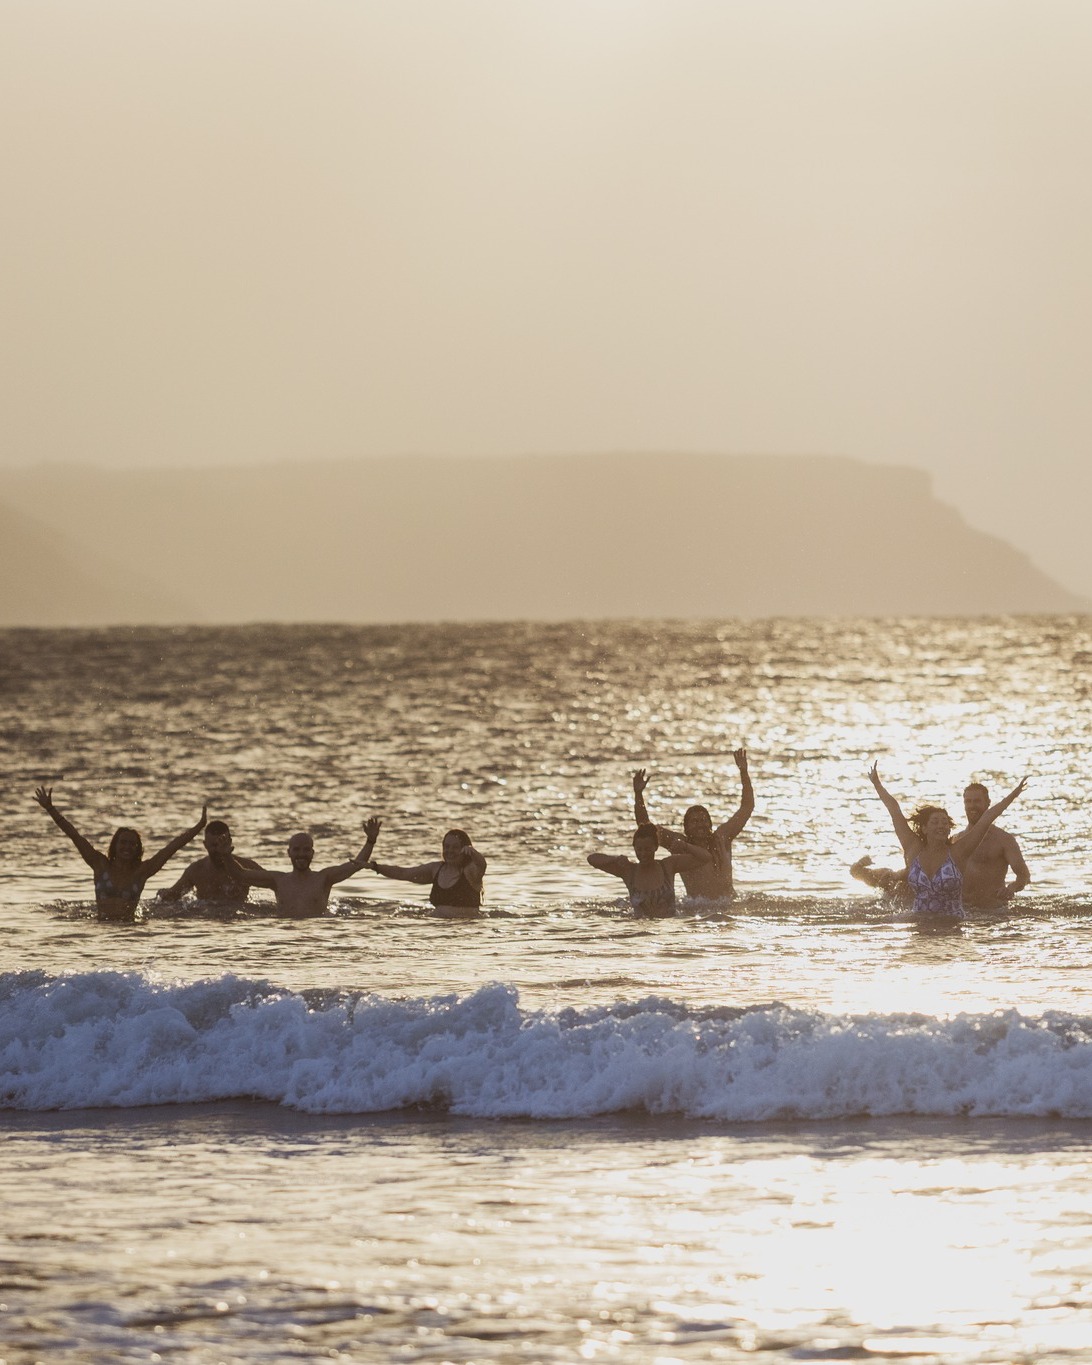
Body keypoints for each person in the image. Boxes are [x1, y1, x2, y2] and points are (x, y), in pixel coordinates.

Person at [867, 763, 1027, 919]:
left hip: (953, 931)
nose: (941, 826)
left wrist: (1014, 794)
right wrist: (877, 784)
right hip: (919, 932)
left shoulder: (958, 851)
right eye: (935, 822)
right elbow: (894, 811)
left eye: (945, 823)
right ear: (924, 828)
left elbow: (987, 819)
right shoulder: (912, 849)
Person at [34, 785, 207, 919]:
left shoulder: (142, 871)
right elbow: (74, 835)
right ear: (115, 845)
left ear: (138, 849)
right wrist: (51, 809)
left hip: (130, 931)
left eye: (132, 844)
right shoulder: (99, 864)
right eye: (123, 842)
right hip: (102, 929)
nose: (127, 847)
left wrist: (199, 827)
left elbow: (172, 847)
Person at [632, 748, 754, 899]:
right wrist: (638, 795)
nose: (700, 825)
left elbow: (747, 808)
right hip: (696, 912)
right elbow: (645, 827)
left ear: (710, 824)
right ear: (686, 827)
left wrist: (744, 771)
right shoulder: (680, 845)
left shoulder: (721, 839)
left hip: (728, 905)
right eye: (694, 821)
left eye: (703, 821)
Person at [227, 818, 381, 917]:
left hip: (317, 936)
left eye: (306, 850)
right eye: (297, 850)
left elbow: (356, 865)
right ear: (289, 853)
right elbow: (240, 875)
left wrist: (370, 841)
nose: (302, 854)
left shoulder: (324, 878)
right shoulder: (278, 880)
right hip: (284, 936)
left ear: (312, 853)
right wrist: (225, 855)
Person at [588, 823, 711, 917]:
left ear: (656, 847)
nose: (643, 854)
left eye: (647, 849)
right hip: (638, 928)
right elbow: (592, 859)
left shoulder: (668, 865)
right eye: (639, 849)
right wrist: (614, 859)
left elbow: (706, 857)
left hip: (670, 928)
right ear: (634, 848)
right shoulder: (628, 870)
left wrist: (685, 846)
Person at [368, 829, 487, 916]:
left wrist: (473, 852)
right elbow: (403, 873)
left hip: (464, 930)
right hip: (435, 928)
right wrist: (374, 866)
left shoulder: (471, 872)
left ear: (464, 849)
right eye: (446, 847)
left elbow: (482, 865)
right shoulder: (436, 869)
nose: (450, 851)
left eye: (455, 847)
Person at [954, 781, 1031, 909]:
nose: (972, 806)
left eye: (977, 801)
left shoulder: (1004, 840)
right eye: (968, 801)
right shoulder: (956, 839)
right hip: (964, 911)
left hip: (993, 911)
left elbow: (1024, 876)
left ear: (988, 803)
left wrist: (1011, 888)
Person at [155, 820, 264, 906]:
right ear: (205, 845)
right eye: (214, 845)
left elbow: (275, 882)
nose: (219, 850)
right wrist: (162, 896)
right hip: (206, 924)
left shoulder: (247, 866)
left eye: (222, 844)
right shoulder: (196, 870)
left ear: (230, 842)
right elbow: (172, 897)